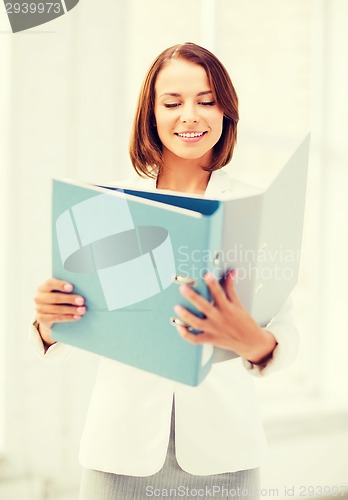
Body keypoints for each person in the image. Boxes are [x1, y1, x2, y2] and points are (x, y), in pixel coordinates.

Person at [31, 42, 298, 499]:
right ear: (150, 115)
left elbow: (285, 330)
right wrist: (49, 324)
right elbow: (77, 320)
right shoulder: (108, 206)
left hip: (226, 456)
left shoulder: (257, 209)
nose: (190, 116)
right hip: (119, 453)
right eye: (172, 103)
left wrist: (247, 339)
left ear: (226, 112)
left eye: (207, 101)